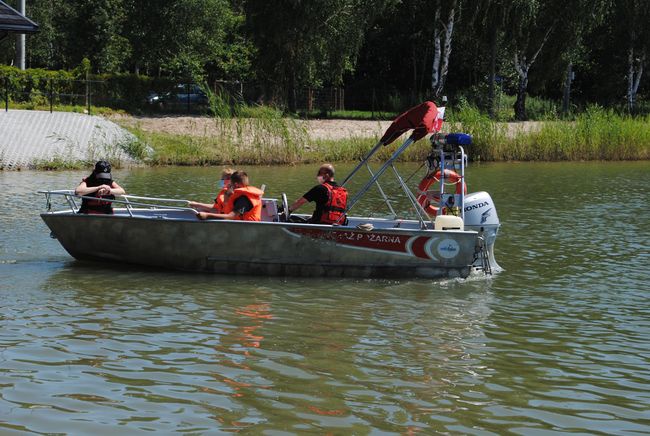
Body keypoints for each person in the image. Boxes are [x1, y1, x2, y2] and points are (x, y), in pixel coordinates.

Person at [196, 171, 264, 221]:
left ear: (236, 185)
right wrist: (226, 198)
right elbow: (227, 211)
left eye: (230, 184)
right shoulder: (238, 196)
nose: (229, 186)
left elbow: (231, 216)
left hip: (248, 228)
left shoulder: (244, 199)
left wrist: (207, 216)